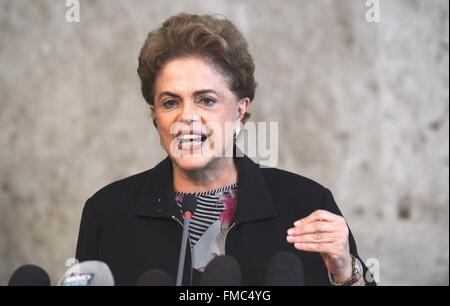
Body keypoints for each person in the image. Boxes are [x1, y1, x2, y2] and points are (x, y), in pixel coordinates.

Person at [76, 13, 374, 286]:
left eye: (206, 100)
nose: (187, 117)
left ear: (240, 110)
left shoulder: (307, 204)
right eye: (170, 102)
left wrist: (346, 272)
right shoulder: (106, 213)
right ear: (155, 114)